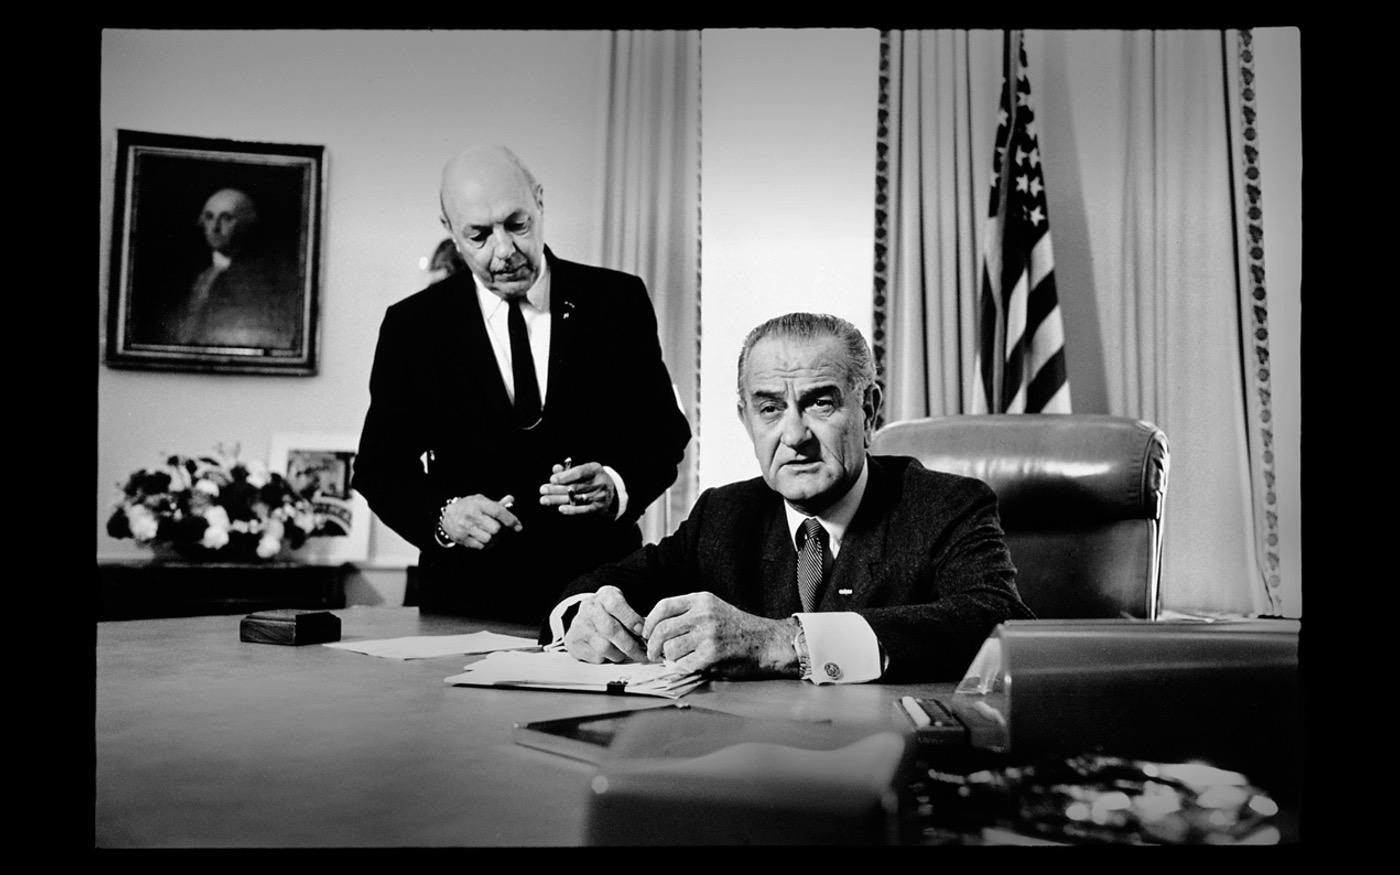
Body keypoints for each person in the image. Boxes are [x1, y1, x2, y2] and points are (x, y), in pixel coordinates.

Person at [552, 312, 1034, 683]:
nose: (794, 435)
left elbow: (997, 620)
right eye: (769, 408)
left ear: (867, 411)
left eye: (819, 403)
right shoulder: (724, 513)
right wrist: (586, 615)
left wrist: (786, 642)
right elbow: (609, 581)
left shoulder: (945, 504)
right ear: (746, 420)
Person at [353, 145, 691, 630]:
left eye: (517, 224)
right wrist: (446, 516)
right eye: (480, 236)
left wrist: (615, 486)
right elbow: (380, 469)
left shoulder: (617, 301)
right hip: (464, 602)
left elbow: (662, 434)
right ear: (450, 230)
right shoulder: (413, 327)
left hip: (599, 596)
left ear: (538, 202)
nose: (505, 252)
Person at [165, 187, 302, 349]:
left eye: (226, 218)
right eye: (209, 217)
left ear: (247, 223)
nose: (215, 227)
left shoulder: (266, 279)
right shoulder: (197, 275)